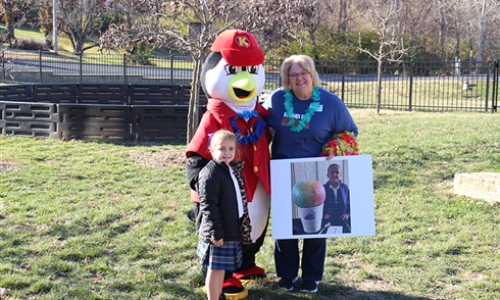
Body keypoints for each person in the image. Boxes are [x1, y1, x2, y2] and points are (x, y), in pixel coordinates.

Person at [262, 54, 358, 293]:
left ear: (312, 74)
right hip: (284, 172)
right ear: (287, 79)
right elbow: (259, 126)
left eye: (303, 72)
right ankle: (287, 275)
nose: (299, 78)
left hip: (316, 173)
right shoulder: (276, 100)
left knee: (316, 227)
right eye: (293, 74)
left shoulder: (331, 102)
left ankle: (312, 277)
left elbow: (349, 132)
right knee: (286, 228)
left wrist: (335, 148)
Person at [196, 129, 252, 300]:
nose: (227, 153)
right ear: (212, 150)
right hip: (220, 232)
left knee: (221, 268)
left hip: (230, 228)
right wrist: (216, 233)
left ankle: (218, 295)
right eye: (222, 149)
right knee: (216, 269)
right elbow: (208, 206)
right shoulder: (211, 173)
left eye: (231, 149)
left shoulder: (228, 169)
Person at [323, 163, 351, 233]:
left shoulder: (345, 187)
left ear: (340, 175)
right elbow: (318, 204)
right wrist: (323, 214)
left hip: (343, 217)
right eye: (331, 172)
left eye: (337, 172)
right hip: (328, 217)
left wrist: (348, 213)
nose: (334, 174)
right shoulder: (323, 188)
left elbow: (351, 202)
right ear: (328, 175)